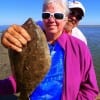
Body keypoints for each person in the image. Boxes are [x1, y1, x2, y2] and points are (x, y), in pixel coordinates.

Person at [0, 0, 99, 99]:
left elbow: (90, 88)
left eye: (58, 15)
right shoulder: (32, 37)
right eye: (46, 15)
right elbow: (23, 75)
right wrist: (8, 36)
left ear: (65, 18)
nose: (51, 19)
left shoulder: (80, 45)